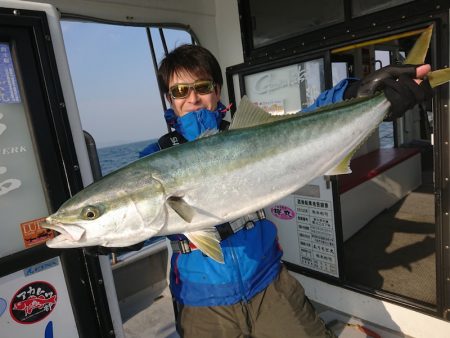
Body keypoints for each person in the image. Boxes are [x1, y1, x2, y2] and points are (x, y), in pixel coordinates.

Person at [138, 44, 432, 338]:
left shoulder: (244, 134)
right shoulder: (154, 159)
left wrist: (354, 95)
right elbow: (130, 217)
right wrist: (107, 238)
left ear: (216, 89)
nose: (192, 98)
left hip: (268, 282)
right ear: (169, 98)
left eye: (201, 87)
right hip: (201, 301)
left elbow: (305, 119)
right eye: (180, 91)